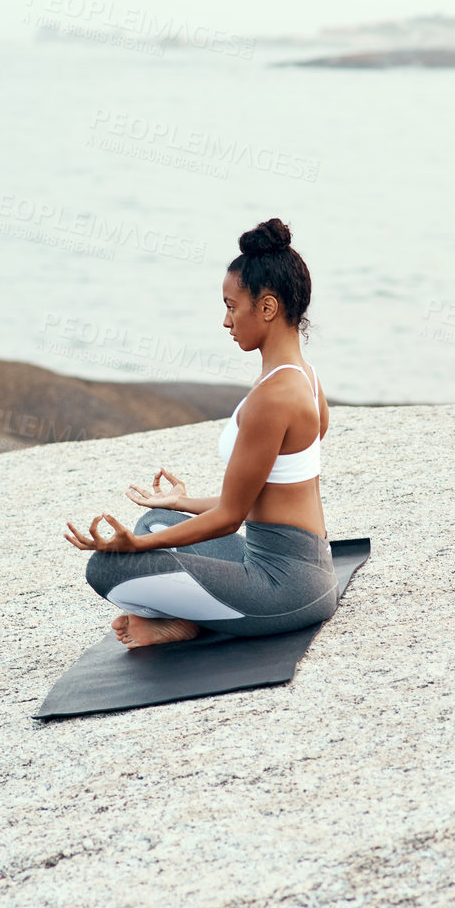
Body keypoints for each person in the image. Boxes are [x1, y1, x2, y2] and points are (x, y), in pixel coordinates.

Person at [63, 218, 336, 648]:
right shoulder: (305, 376)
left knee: (106, 568)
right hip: (297, 560)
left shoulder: (275, 397)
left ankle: (185, 622)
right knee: (157, 520)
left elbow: (229, 518)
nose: (226, 321)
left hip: (288, 589)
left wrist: (134, 548)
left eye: (231, 306)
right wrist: (181, 503)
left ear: (266, 308)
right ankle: (188, 608)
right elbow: (265, 496)